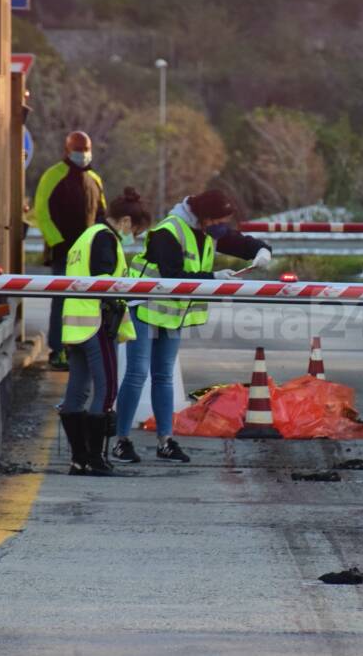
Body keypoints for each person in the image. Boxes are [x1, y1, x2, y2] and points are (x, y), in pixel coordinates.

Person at [111, 190, 272, 464]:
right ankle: (121, 441)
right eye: (219, 220)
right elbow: (174, 276)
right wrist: (213, 277)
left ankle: (165, 441)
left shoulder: (206, 229)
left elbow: (237, 241)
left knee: (163, 376)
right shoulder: (168, 232)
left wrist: (261, 250)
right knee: (137, 373)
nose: (223, 226)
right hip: (145, 306)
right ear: (205, 217)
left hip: (171, 312)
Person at [59, 188, 151, 476]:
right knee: (106, 388)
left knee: (76, 392)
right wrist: (120, 302)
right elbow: (103, 282)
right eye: (134, 230)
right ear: (124, 222)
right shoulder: (105, 238)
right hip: (96, 322)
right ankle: (96, 458)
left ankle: (79, 458)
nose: (133, 236)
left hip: (74, 326)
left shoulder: (86, 236)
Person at [34, 131, 107, 370]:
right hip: (64, 251)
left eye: (86, 149)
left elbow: (102, 215)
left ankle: (79, 348)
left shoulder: (95, 179)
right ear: (67, 150)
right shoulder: (53, 175)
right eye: (78, 149)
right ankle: (57, 350)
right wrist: (58, 242)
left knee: (85, 303)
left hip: (89, 254)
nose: (83, 154)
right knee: (61, 301)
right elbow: (41, 212)